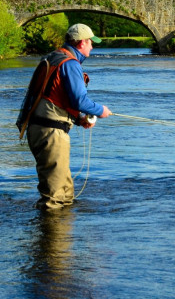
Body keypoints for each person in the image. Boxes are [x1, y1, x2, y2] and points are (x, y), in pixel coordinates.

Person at [25, 23, 112, 211]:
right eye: (91, 42)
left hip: (40, 128)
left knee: (65, 191)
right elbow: (80, 100)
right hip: (51, 133)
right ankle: (51, 239)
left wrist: (80, 118)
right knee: (55, 197)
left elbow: (56, 96)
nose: (92, 46)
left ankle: (64, 237)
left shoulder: (53, 57)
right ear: (81, 43)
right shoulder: (70, 64)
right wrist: (100, 110)